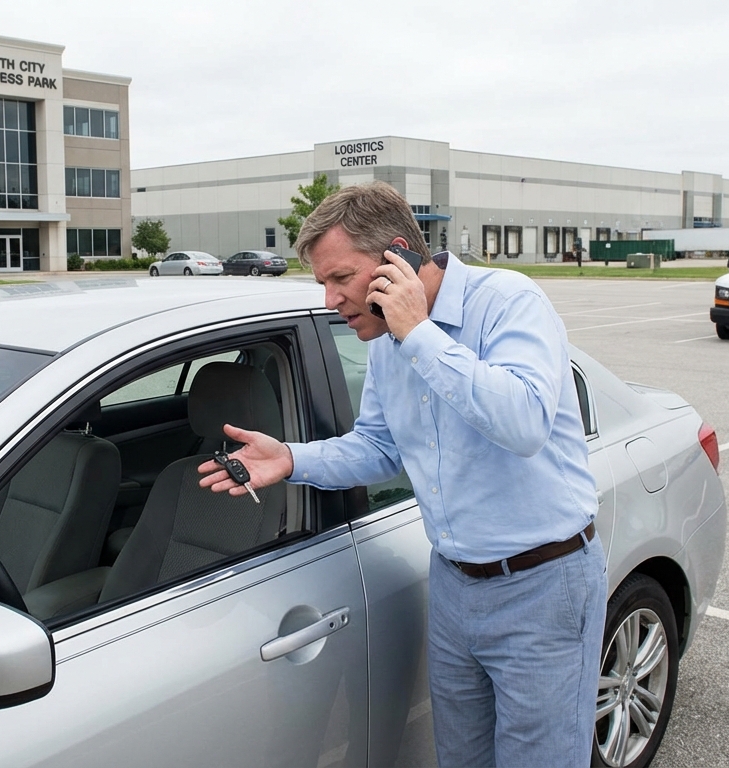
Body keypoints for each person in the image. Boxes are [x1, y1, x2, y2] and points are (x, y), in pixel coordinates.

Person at [198, 181, 606, 767]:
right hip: (454, 587)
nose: (331, 299)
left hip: (543, 587)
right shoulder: (390, 341)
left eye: (341, 279)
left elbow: (525, 423)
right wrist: (292, 459)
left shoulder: (507, 302)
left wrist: (420, 335)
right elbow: (379, 447)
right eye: (324, 284)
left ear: (397, 257)